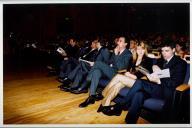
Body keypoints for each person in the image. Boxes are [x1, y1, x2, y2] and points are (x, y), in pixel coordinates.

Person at [102, 41, 187, 124]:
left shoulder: (180, 63)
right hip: (153, 87)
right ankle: (129, 121)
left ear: (173, 50)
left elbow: (175, 83)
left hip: (165, 90)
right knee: (139, 94)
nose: (164, 53)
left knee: (139, 82)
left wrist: (159, 80)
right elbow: (154, 70)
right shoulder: (161, 60)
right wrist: (154, 66)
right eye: (162, 51)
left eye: (167, 51)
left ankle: (121, 106)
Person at [97, 41, 153, 112]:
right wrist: (127, 73)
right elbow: (128, 70)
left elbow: (146, 75)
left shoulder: (148, 60)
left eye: (142, 49)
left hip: (139, 83)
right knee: (118, 84)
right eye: (138, 49)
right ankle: (104, 104)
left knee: (118, 77)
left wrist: (130, 75)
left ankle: (102, 94)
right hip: (129, 80)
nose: (140, 51)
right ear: (136, 50)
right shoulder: (133, 59)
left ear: (145, 49)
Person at [79, 36, 132, 108]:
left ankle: (88, 79)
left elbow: (120, 67)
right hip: (110, 71)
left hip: (118, 75)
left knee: (98, 63)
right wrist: (108, 65)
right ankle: (91, 96)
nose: (118, 42)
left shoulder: (128, 54)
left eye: (120, 41)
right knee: (96, 72)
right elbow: (109, 62)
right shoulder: (116, 50)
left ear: (125, 44)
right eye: (118, 41)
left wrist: (116, 55)